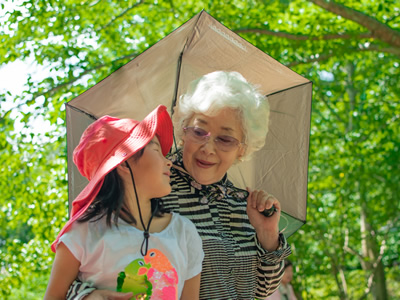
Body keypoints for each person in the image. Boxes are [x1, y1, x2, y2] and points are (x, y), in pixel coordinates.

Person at [65, 71, 292, 300]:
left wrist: (267, 234)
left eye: (225, 139)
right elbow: (78, 269)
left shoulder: (246, 205)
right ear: (183, 130)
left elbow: (264, 289)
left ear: (242, 148)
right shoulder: (149, 185)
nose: (208, 148)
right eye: (199, 131)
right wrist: (89, 296)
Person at [44, 105, 204, 300]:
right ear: (124, 163)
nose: (168, 161)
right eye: (156, 150)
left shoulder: (185, 233)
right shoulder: (82, 232)